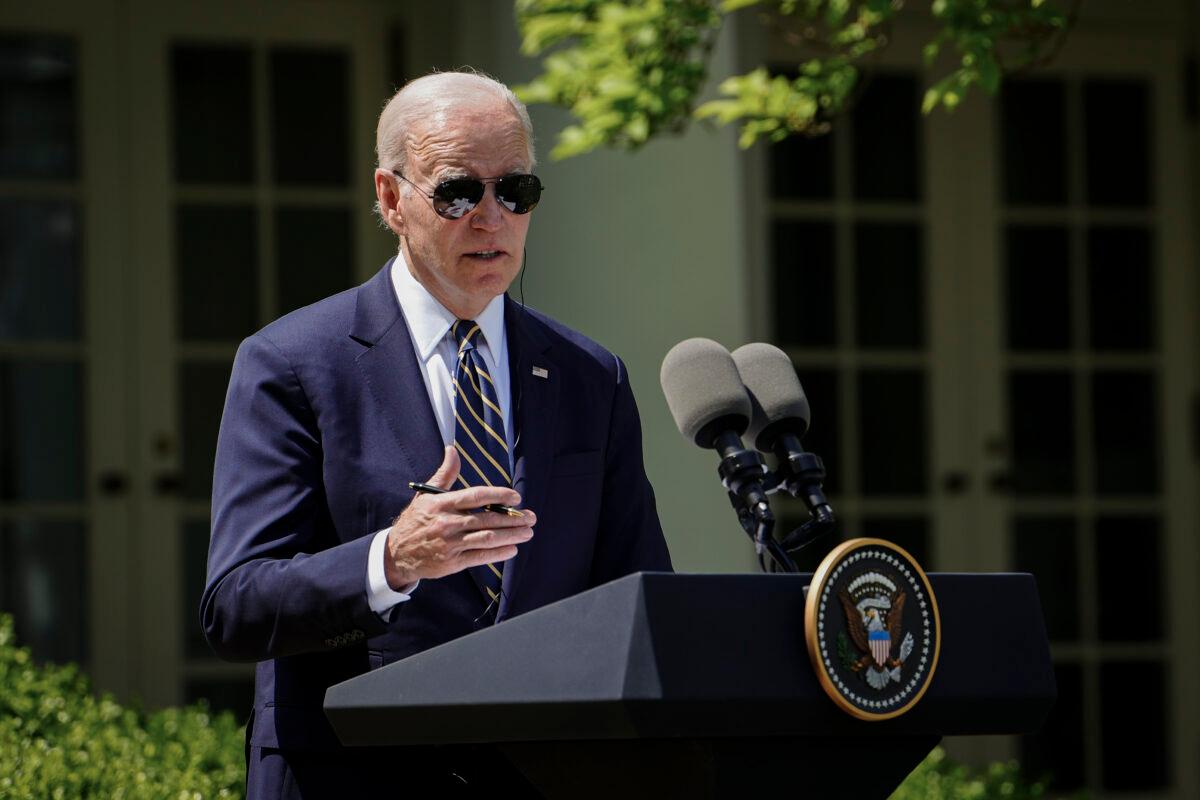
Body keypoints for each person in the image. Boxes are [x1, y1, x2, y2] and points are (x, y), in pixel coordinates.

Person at [201, 70, 672, 798]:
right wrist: (392, 559)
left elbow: (639, 596)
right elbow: (236, 605)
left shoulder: (590, 376)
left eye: (516, 191)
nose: (492, 218)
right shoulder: (292, 363)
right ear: (391, 198)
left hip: (542, 776)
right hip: (351, 777)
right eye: (458, 192)